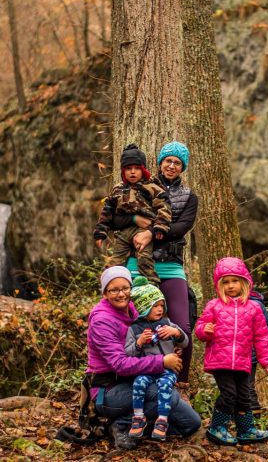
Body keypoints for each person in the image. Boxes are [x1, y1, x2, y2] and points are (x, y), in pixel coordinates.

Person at [85, 266, 201, 450]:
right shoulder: (102, 320)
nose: (121, 294)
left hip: (139, 378)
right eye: (114, 290)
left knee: (191, 423)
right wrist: (162, 361)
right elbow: (120, 365)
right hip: (109, 389)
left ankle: (141, 426)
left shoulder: (135, 307)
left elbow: (156, 334)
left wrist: (170, 346)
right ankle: (120, 424)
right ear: (105, 293)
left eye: (125, 288)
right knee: (169, 397)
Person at [114, 141, 199, 387]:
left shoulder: (190, 197)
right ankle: (125, 371)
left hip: (171, 265)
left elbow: (183, 227)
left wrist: (150, 231)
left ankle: (180, 381)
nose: (171, 166)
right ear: (160, 162)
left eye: (177, 162)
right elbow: (116, 217)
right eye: (168, 161)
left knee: (182, 324)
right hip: (137, 262)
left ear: (182, 167)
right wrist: (133, 219)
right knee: (130, 319)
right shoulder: (140, 186)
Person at [194, 257, 268, 446]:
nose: (231, 286)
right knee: (229, 394)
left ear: (244, 282)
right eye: (226, 282)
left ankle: (245, 429)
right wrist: (204, 330)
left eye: (235, 281)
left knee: (244, 395)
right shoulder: (214, 305)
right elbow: (201, 327)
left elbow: (261, 337)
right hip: (219, 360)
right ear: (219, 285)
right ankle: (217, 427)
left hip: (242, 360)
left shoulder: (254, 308)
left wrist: (267, 360)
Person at [93, 143, 172, 285]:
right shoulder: (117, 189)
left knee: (144, 258)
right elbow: (107, 211)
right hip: (123, 233)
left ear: (143, 170)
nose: (133, 172)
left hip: (143, 230)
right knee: (115, 263)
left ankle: (153, 285)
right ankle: (109, 289)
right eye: (128, 169)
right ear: (123, 171)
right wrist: (100, 232)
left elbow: (164, 207)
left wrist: (160, 227)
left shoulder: (151, 187)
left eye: (137, 168)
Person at [124, 276, 189, 441]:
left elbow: (185, 343)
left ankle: (162, 420)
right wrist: (139, 343)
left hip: (167, 370)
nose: (160, 309)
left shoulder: (167, 323)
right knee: (139, 383)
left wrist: (176, 333)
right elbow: (129, 353)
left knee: (165, 385)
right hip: (147, 369)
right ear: (144, 308)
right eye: (155, 306)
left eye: (161, 305)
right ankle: (138, 417)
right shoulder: (135, 329)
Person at [248, 290, 268, 419]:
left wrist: (267, 357)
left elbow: (265, 330)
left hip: (250, 353)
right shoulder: (221, 304)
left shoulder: (255, 304)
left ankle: (254, 418)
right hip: (229, 355)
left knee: (247, 386)